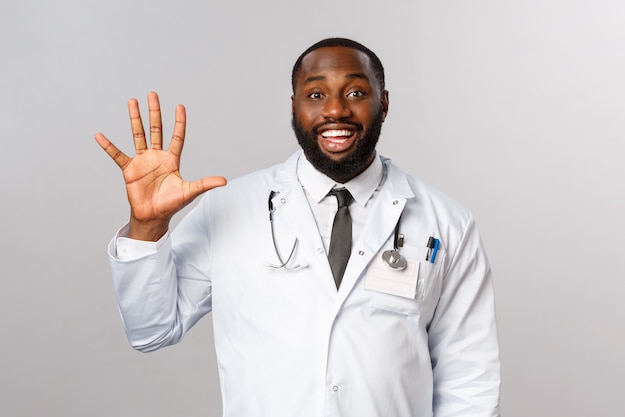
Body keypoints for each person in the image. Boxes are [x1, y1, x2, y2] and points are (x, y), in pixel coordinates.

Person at [96, 38, 501, 417]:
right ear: (294, 107)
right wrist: (147, 226)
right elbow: (151, 329)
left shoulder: (447, 224)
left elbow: (469, 379)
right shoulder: (229, 207)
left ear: (385, 103)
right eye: (316, 94)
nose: (336, 110)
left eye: (356, 93)